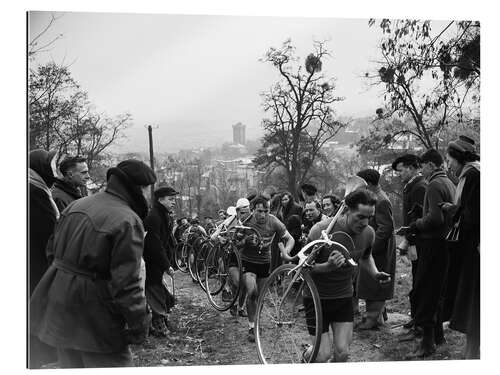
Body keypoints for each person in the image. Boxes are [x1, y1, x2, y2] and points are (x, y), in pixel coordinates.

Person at [29, 159, 156, 368]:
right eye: (149, 189)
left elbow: (51, 251)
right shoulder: (127, 220)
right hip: (95, 318)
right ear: (140, 188)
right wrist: (140, 324)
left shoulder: (77, 205)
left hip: (59, 307)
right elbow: (127, 284)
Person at [303, 189, 391, 362]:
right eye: (360, 217)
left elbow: (365, 256)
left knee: (342, 353)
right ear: (346, 210)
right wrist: (327, 266)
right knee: (322, 355)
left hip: (343, 297)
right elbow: (303, 268)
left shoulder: (368, 233)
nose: (365, 222)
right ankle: (308, 355)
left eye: (369, 217)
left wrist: (374, 273)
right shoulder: (320, 231)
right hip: (316, 299)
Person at [405, 149, 456, 357]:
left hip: (433, 244)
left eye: (423, 166)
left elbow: (435, 219)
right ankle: (438, 336)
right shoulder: (449, 182)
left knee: (425, 291)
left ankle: (427, 344)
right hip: (445, 244)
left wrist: (416, 223)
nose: (422, 170)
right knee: (437, 291)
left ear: (431, 165)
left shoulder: (434, 184)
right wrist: (423, 212)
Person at [442, 136, 480, 359]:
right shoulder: (474, 173)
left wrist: (451, 210)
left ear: (459, 158)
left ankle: (472, 354)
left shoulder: (473, 176)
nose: (448, 165)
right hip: (472, 249)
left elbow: (472, 216)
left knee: (473, 305)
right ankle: (471, 351)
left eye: (449, 160)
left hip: (473, 251)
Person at [241, 196, 295, 342]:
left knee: (260, 296)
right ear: (253, 211)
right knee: (252, 292)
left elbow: (290, 239)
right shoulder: (246, 221)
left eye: (266, 211)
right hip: (248, 261)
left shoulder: (273, 221)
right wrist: (245, 241)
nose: (263, 215)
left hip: (265, 262)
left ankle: (256, 322)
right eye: (259, 211)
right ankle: (251, 327)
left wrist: (286, 252)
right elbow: (235, 242)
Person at [28, 149, 59, 368]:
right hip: (37, 264)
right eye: (52, 166)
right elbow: (47, 232)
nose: (54, 171)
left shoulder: (36, 188)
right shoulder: (34, 192)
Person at [355, 169, 396, 330]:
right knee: (371, 283)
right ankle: (376, 317)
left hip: (380, 250)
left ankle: (372, 319)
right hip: (375, 247)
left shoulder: (381, 200)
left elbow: (385, 228)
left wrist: (370, 248)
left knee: (377, 285)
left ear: (369, 184)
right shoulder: (374, 197)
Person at [392, 154, 427, 338]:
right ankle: (416, 319)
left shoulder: (420, 187)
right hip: (414, 240)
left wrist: (408, 239)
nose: (399, 174)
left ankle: (420, 324)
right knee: (415, 278)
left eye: (401, 170)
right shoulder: (411, 186)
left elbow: (418, 218)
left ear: (413, 167)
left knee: (420, 282)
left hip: (419, 242)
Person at [143, 186, 179, 337]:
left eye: (174, 199)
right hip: (150, 262)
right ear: (160, 199)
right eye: (170, 199)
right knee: (154, 291)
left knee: (159, 292)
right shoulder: (154, 217)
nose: (174, 202)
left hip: (156, 262)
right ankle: (159, 325)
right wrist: (166, 265)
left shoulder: (163, 214)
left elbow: (167, 241)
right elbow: (154, 245)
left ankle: (158, 322)